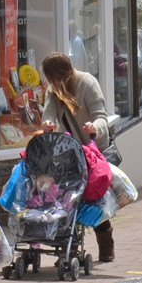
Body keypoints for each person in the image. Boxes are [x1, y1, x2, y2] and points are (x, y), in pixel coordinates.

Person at [39, 53, 115, 263]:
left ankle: (106, 243)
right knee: (67, 199)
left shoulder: (87, 83)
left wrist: (94, 127)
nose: (50, 82)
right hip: (69, 152)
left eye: (51, 77)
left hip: (93, 150)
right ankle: (69, 249)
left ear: (60, 74)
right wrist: (47, 123)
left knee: (93, 198)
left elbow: (101, 116)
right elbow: (49, 113)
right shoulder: (53, 90)